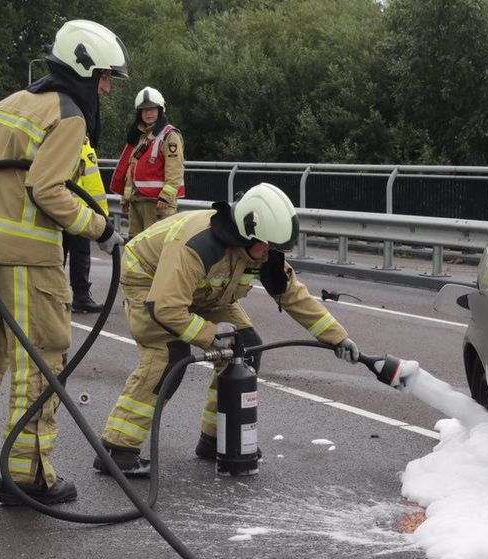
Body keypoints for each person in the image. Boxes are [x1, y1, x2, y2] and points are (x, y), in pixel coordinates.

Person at [0, 19, 128, 505]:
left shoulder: (5, 107)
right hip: (29, 264)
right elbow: (48, 190)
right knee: (38, 366)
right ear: (83, 69)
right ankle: (30, 477)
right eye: (104, 76)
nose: (106, 87)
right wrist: (101, 230)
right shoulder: (67, 115)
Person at [93, 183, 360, 476]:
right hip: (150, 282)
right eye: (266, 246)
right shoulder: (199, 246)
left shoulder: (259, 251)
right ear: (246, 233)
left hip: (203, 293)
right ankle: (117, 449)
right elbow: (166, 307)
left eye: (275, 248)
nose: (269, 254)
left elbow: (294, 296)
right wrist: (209, 334)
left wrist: (338, 337)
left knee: (245, 348)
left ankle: (218, 438)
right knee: (167, 357)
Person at [109, 86, 185, 237]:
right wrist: (126, 197)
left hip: (158, 204)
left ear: (160, 110)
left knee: (153, 250)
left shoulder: (169, 135)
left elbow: (175, 169)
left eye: (152, 109)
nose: (148, 113)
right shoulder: (140, 136)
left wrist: (166, 196)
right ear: (139, 113)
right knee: (134, 247)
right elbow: (132, 169)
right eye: (144, 110)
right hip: (137, 202)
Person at [63, 138, 110, 313]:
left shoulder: (85, 146)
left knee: (81, 255)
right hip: (59, 210)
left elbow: (94, 184)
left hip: (80, 213)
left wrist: (102, 215)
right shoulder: (62, 138)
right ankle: (51, 298)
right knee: (55, 257)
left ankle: (81, 296)